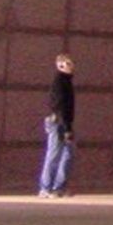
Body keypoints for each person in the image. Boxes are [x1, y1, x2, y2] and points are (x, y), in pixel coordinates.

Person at [37, 53, 75, 198]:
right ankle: (46, 188)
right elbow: (60, 106)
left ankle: (58, 187)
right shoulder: (60, 81)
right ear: (60, 65)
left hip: (62, 122)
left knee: (67, 154)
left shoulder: (66, 81)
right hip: (58, 122)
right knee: (54, 154)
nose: (72, 66)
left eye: (72, 63)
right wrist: (66, 127)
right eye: (68, 64)